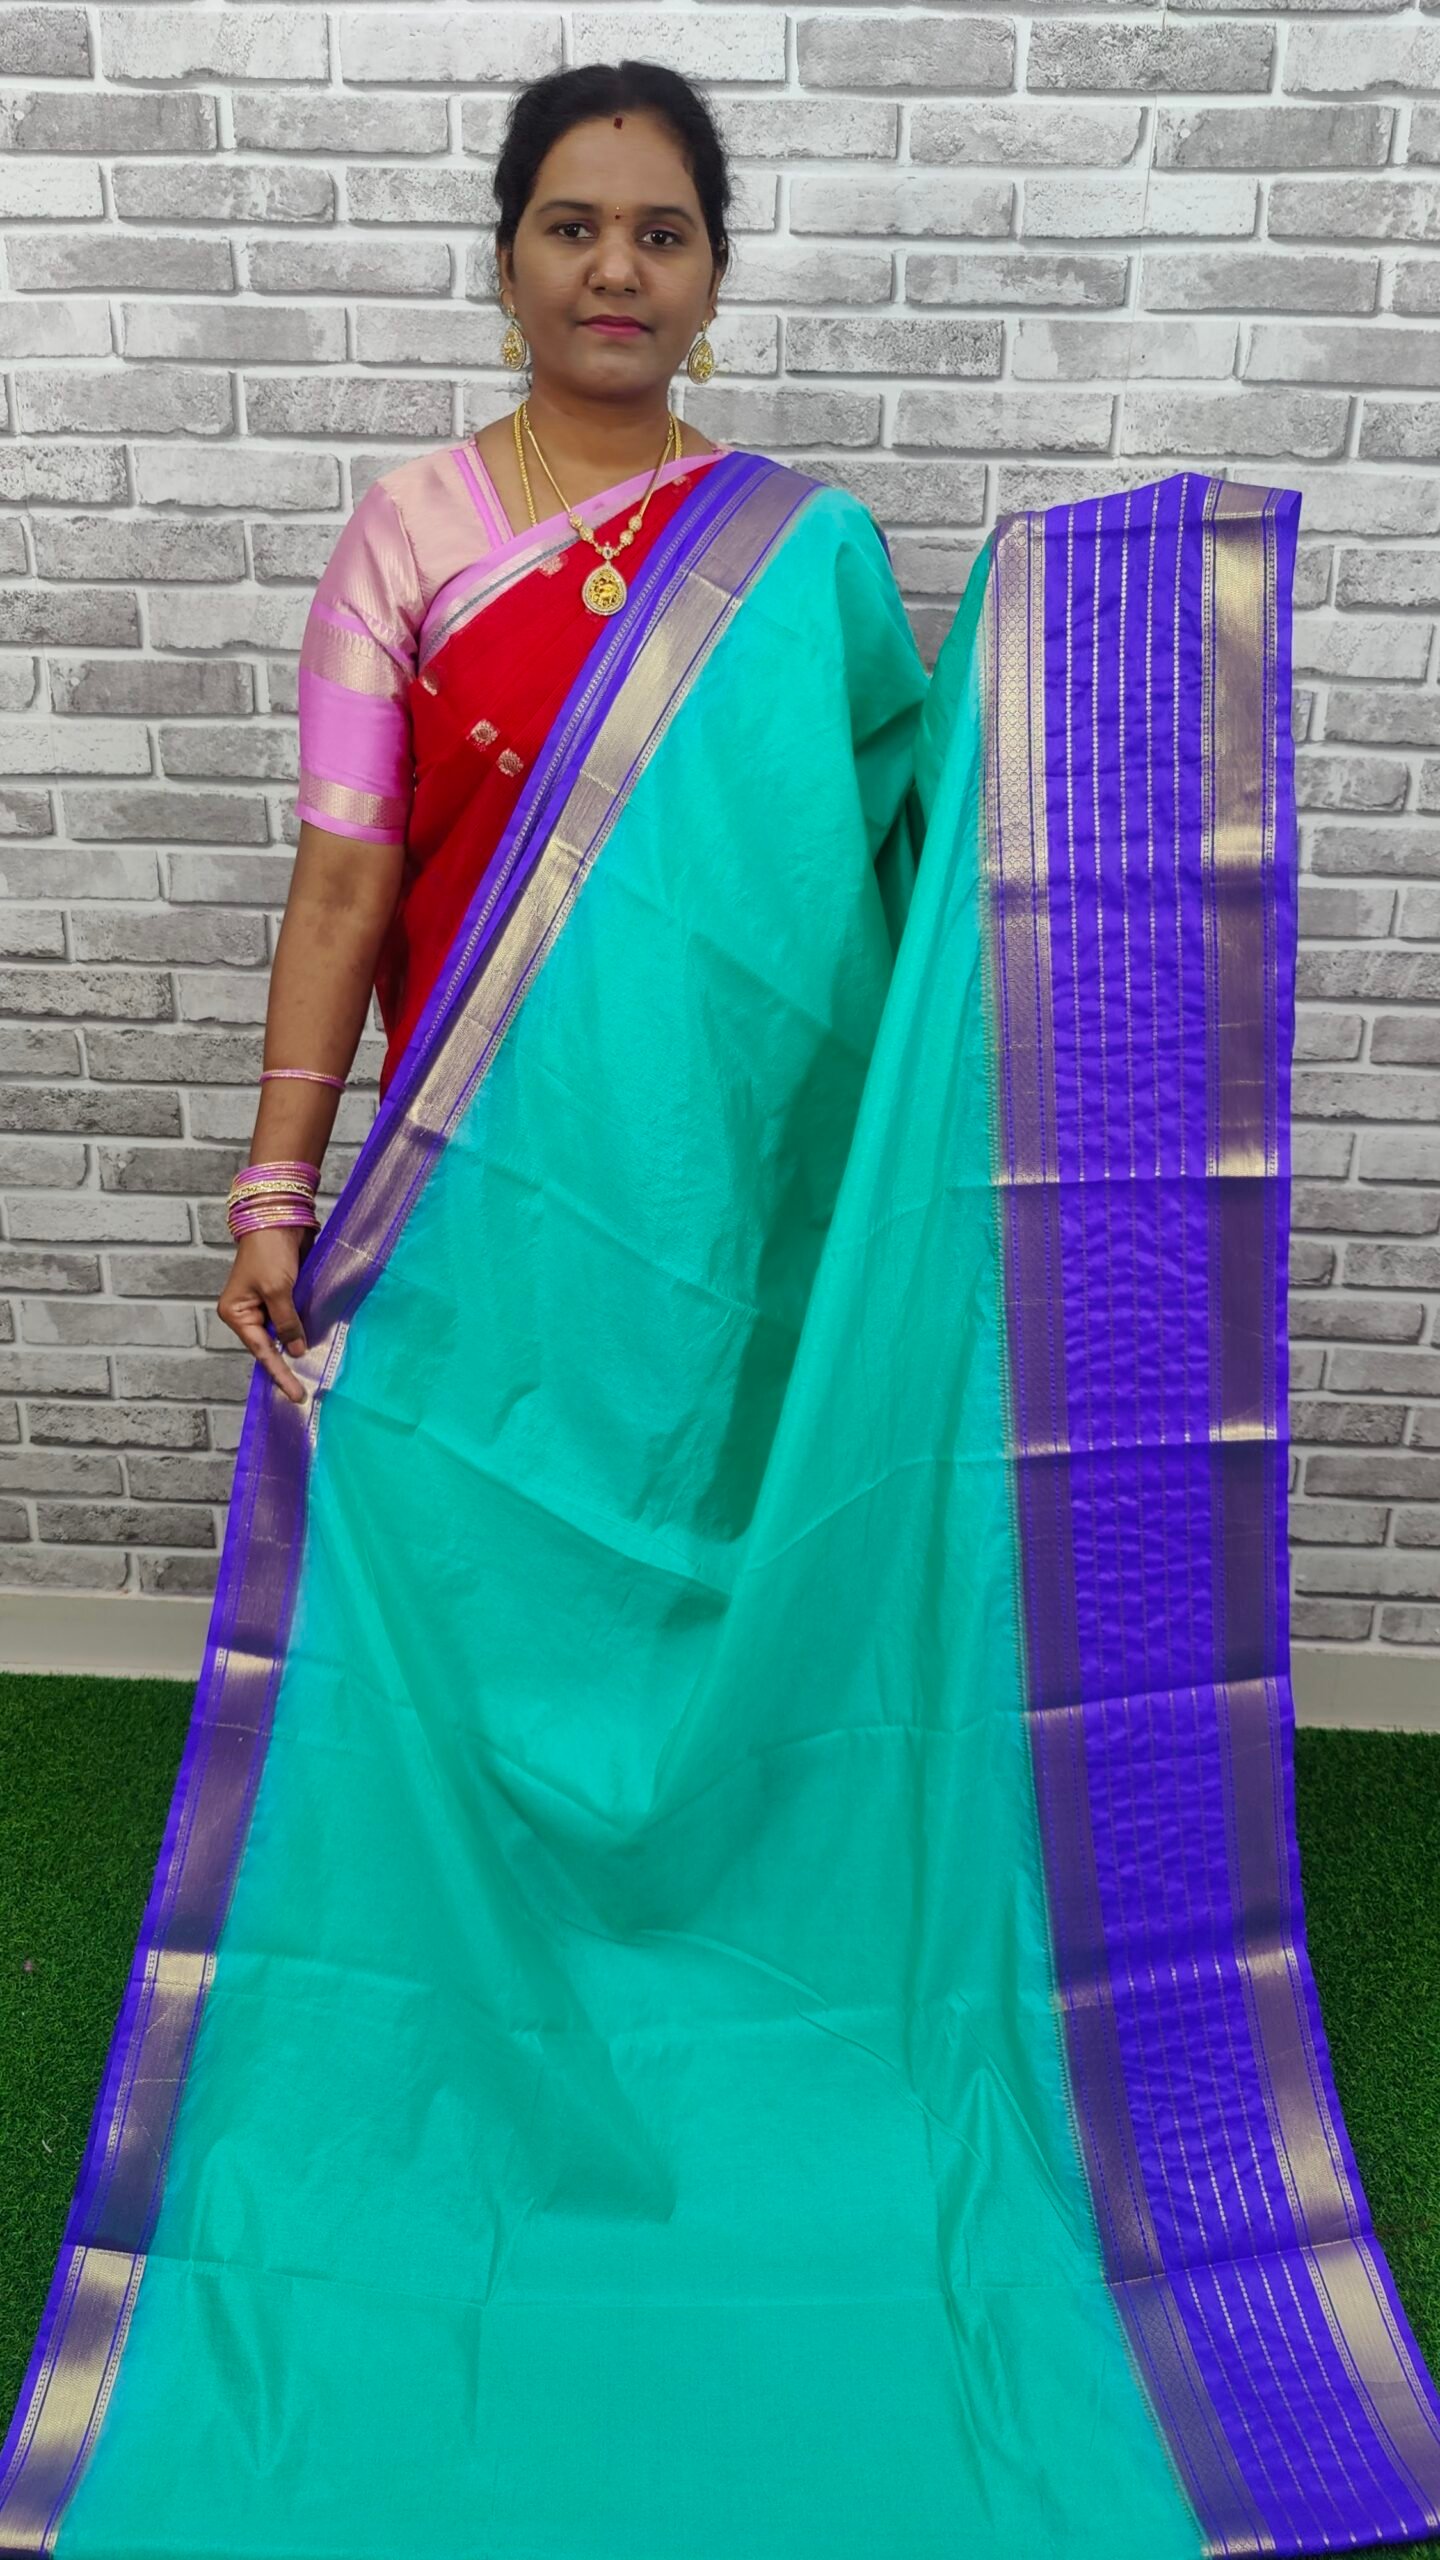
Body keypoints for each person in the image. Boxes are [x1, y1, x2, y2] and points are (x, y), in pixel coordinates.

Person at [5, 55, 1440, 2560]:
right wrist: (276, 1178)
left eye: (660, 232)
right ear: (503, 255)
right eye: (572, 223)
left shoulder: (799, 556)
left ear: (711, 273)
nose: (614, 269)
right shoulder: (407, 536)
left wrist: (1077, 654)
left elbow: (906, 867)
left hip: (735, 1236)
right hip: (480, 1229)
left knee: (745, 1666)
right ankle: (473, 2060)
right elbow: (346, 880)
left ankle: (732, 2035)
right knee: (460, 1658)